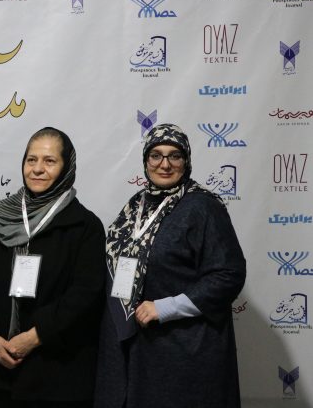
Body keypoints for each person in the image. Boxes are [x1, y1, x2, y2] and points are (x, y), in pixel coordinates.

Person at [94, 123, 246, 408]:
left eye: (174, 155)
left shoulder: (203, 207)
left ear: (186, 161)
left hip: (184, 352)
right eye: (156, 155)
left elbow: (229, 274)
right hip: (134, 346)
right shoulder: (135, 206)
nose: (164, 164)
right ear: (145, 161)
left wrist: (165, 308)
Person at [0, 127, 106, 407]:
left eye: (49, 161)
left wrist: (35, 336)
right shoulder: (0, 219)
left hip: (59, 374)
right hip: (4, 369)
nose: (38, 169)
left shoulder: (85, 226)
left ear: (67, 168)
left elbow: (85, 295)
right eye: (31, 160)